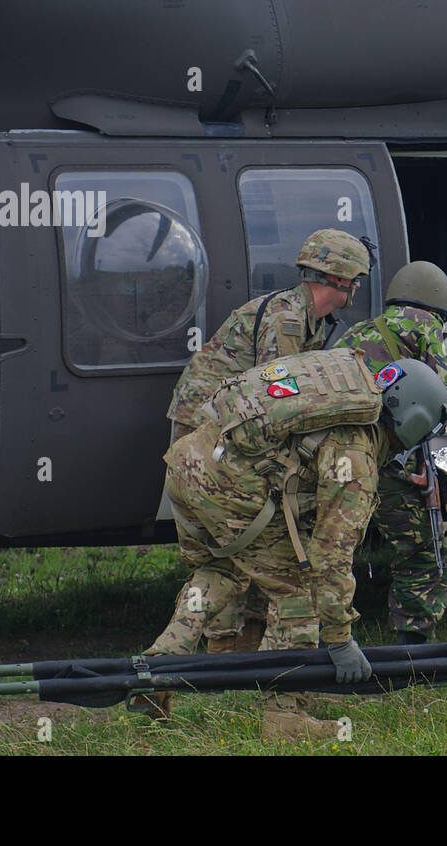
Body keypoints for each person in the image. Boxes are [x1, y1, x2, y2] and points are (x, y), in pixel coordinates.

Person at [146, 351, 447, 741]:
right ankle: (284, 717)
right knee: (299, 590)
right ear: (414, 421)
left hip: (189, 465)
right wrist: (340, 640)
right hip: (227, 488)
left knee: (221, 570)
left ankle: (159, 667)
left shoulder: (346, 391)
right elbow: (330, 555)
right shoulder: (356, 455)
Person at [158, 228, 369, 677]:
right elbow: (276, 408)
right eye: (356, 281)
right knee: (242, 544)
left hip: (217, 435)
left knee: (229, 553)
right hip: (210, 438)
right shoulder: (287, 322)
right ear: (344, 280)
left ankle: (199, 652)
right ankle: (232, 655)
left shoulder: (301, 316)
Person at [334, 261, 447, 645]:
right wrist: (428, 468)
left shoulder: (356, 330)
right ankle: (412, 642)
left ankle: (320, 638)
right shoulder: (428, 327)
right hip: (387, 455)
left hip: (336, 456)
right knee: (422, 546)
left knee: (333, 546)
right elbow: (437, 401)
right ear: (437, 303)